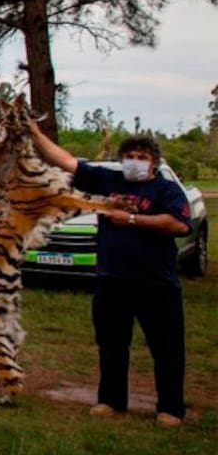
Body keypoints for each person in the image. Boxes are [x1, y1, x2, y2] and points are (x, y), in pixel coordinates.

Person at [28, 121, 191, 427]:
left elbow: (178, 224)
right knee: (111, 345)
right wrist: (35, 133)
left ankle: (170, 408)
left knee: (166, 348)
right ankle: (111, 400)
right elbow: (65, 160)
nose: (135, 161)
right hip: (112, 279)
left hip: (155, 283)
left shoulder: (165, 189)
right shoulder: (109, 180)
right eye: (130, 155)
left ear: (153, 162)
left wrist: (130, 219)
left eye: (142, 156)